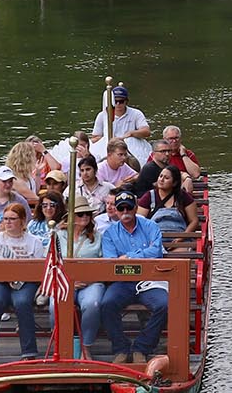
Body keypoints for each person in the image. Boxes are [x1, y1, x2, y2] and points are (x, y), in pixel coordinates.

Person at [98, 193, 168, 365]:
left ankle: (142, 347)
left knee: (164, 305)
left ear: (136, 208)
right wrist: (140, 257)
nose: (125, 211)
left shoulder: (150, 226)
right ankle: (121, 348)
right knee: (107, 304)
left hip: (150, 280)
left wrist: (128, 257)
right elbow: (111, 261)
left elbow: (157, 252)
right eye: (121, 208)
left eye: (129, 207)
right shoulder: (109, 233)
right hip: (123, 281)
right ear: (116, 210)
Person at [0, 201, 48, 365]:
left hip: (25, 283)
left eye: (12, 219)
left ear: (22, 221)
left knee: (22, 303)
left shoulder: (34, 242)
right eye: (5, 218)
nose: (7, 222)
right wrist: (4, 276)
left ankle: (29, 353)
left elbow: (38, 270)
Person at [63, 200, 108, 359]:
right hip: (65, 282)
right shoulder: (59, 235)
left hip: (91, 282)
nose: (85, 217)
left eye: (88, 214)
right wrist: (69, 281)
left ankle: (86, 346)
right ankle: (63, 346)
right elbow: (52, 263)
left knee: (92, 304)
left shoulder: (98, 237)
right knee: (56, 306)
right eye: (80, 214)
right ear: (71, 216)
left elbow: (105, 264)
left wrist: (90, 279)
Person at [93, 86, 154, 167]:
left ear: (126, 101)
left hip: (131, 147)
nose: (118, 104)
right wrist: (108, 139)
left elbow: (146, 132)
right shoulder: (102, 115)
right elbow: (95, 138)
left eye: (121, 101)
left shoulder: (136, 113)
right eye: (115, 101)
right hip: (109, 145)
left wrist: (131, 133)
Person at [136, 165, 199, 234]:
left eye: (166, 178)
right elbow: (140, 221)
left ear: (174, 183)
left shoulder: (183, 196)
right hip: (155, 238)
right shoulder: (149, 196)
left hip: (180, 239)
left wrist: (182, 237)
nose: (161, 180)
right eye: (160, 176)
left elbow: (194, 221)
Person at [6, 141, 45, 206]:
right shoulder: (15, 180)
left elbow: (35, 191)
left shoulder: (27, 176)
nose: (35, 158)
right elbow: (34, 197)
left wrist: (38, 173)